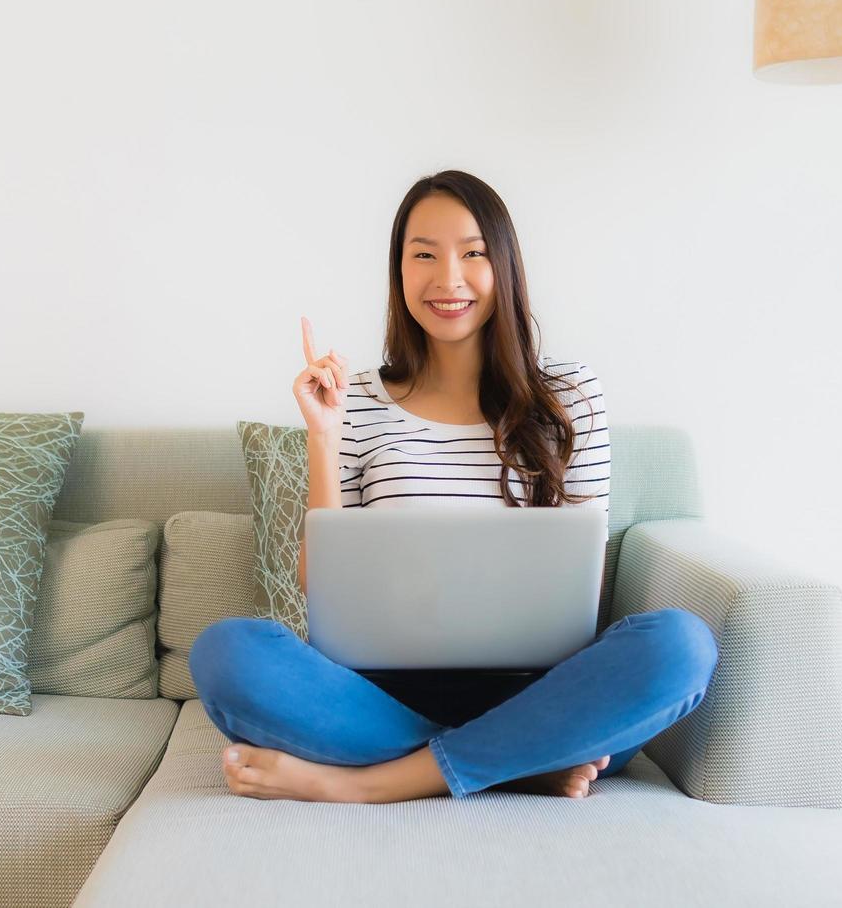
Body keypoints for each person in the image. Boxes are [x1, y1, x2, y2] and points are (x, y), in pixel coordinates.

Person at [190, 169, 719, 803]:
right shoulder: (357, 398)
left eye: (473, 253)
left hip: (541, 691)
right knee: (226, 652)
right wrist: (324, 437)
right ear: (399, 274)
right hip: (380, 693)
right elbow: (321, 586)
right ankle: (519, 763)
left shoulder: (570, 396)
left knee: (680, 646)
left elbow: (583, 582)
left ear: (506, 268)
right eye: (424, 256)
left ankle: (376, 783)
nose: (449, 279)